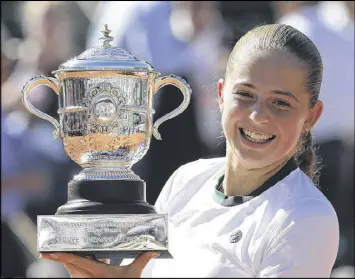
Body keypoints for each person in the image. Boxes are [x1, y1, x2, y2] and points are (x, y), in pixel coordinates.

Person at [40, 23, 339, 277]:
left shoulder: (308, 218)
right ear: (221, 96)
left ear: (311, 117)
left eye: (281, 102)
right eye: (245, 95)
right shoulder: (186, 179)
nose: (258, 115)